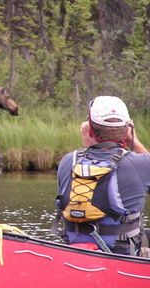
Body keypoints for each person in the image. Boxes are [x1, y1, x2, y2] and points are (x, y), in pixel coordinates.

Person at [56, 95, 150, 255]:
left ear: (90, 129)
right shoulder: (140, 164)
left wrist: (90, 148)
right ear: (128, 129)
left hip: (75, 254)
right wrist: (134, 141)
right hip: (122, 256)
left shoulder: (68, 161)